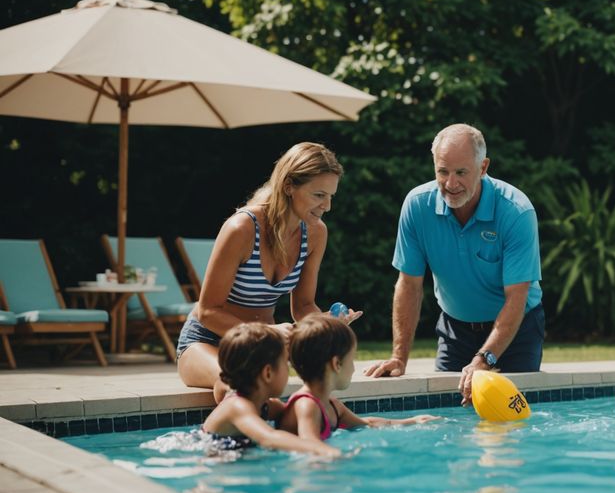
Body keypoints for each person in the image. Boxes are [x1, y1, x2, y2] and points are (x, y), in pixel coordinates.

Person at [363, 124, 544, 405]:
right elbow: (409, 284)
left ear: (483, 168)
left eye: (461, 172)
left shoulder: (516, 212)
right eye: (442, 172)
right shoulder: (417, 206)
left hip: (517, 330)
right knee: (451, 417)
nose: (450, 183)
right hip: (455, 328)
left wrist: (485, 358)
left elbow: (516, 297)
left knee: (513, 422)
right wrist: (399, 357)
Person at [176, 142, 362, 401]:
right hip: (207, 342)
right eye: (319, 195)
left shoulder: (316, 233)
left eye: (331, 196)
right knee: (237, 383)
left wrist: (326, 324)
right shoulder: (241, 228)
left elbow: (304, 306)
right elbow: (208, 312)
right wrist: (268, 333)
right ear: (289, 186)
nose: (327, 206)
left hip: (264, 348)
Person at [278, 314, 440, 441]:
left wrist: (412, 421)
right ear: (337, 364)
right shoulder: (307, 405)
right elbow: (310, 446)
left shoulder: (332, 405)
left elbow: (367, 424)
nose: (354, 367)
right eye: (351, 359)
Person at [201, 322, 339, 457]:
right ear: (268, 373)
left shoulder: (266, 406)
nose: (289, 368)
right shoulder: (237, 406)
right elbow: (270, 438)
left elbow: (293, 415)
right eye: (286, 362)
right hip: (213, 464)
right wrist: (323, 450)